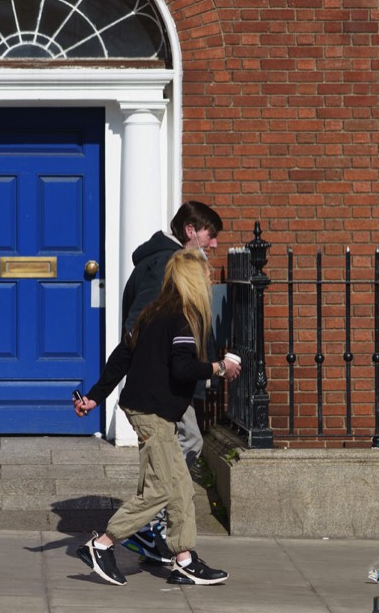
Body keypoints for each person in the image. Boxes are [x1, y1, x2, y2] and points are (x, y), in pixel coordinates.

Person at [74, 248, 242, 586]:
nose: (208, 282)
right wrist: (220, 367)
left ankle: (184, 558)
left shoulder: (153, 311)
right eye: (206, 277)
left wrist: (94, 396)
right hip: (151, 412)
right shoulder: (183, 316)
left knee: (180, 487)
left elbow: (122, 355)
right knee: (161, 489)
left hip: (149, 409)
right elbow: (182, 369)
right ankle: (102, 544)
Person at [115, 201, 223, 564]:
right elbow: (139, 321)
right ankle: (144, 529)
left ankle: (163, 538)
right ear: (191, 229)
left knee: (169, 457)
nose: (214, 245)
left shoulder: (165, 259)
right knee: (186, 443)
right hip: (161, 385)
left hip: (161, 380)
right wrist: (156, 368)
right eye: (211, 235)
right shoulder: (166, 262)